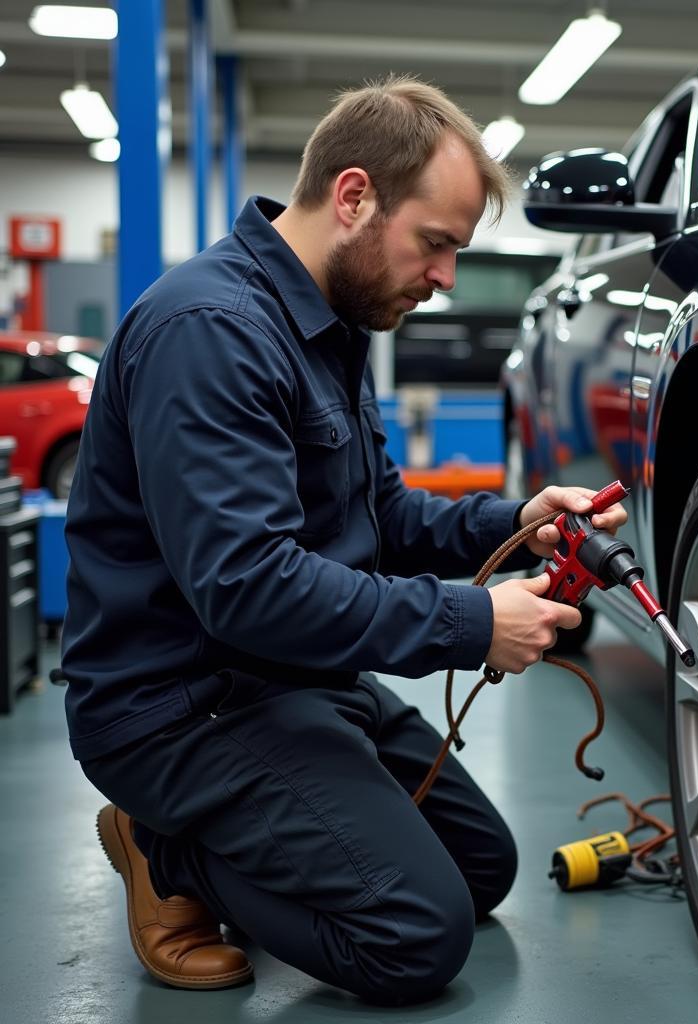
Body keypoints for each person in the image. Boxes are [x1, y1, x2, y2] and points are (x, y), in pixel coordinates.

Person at [61, 75, 626, 1002]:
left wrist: (517, 525)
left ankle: (242, 834)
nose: (446, 278)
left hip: (295, 678)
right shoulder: (209, 331)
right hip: (182, 708)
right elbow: (247, 585)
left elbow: (384, 520)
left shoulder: (331, 324)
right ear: (355, 196)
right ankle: (161, 846)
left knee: (482, 869)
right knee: (414, 936)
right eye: (436, 244)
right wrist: (471, 621)